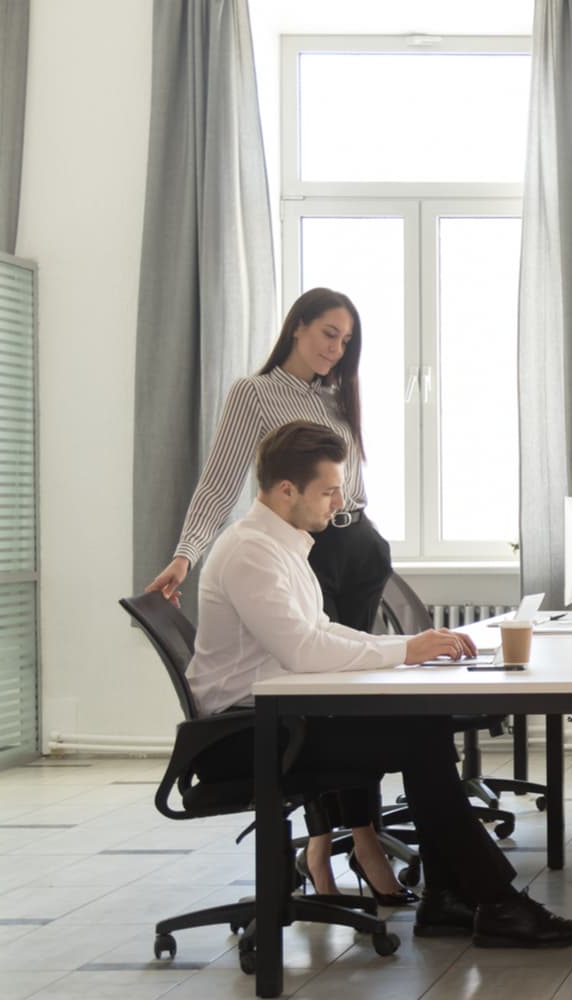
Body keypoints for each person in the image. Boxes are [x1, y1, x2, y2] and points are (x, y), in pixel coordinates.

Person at [185, 420, 572, 947]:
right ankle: (495, 901)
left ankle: (452, 898)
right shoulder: (251, 553)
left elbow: (321, 632)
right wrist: (406, 649)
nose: (338, 503)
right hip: (244, 738)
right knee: (419, 735)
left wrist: (408, 648)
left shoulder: (283, 545)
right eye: (328, 491)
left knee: (421, 723)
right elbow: (303, 650)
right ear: (287, 490)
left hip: (277, 721)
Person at [143, 287, 405, 902]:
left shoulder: (337, 395)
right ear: (297, 328)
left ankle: (321, 848)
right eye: (327, 334)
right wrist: (186, 554)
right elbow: (218, 483)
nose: (336, 349)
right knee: (325, 691)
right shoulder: (254, 394)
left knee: (351, 694)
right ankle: (359, 845)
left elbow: (347, 484)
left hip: (357, 544)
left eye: (346, 341)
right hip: (308, 552)